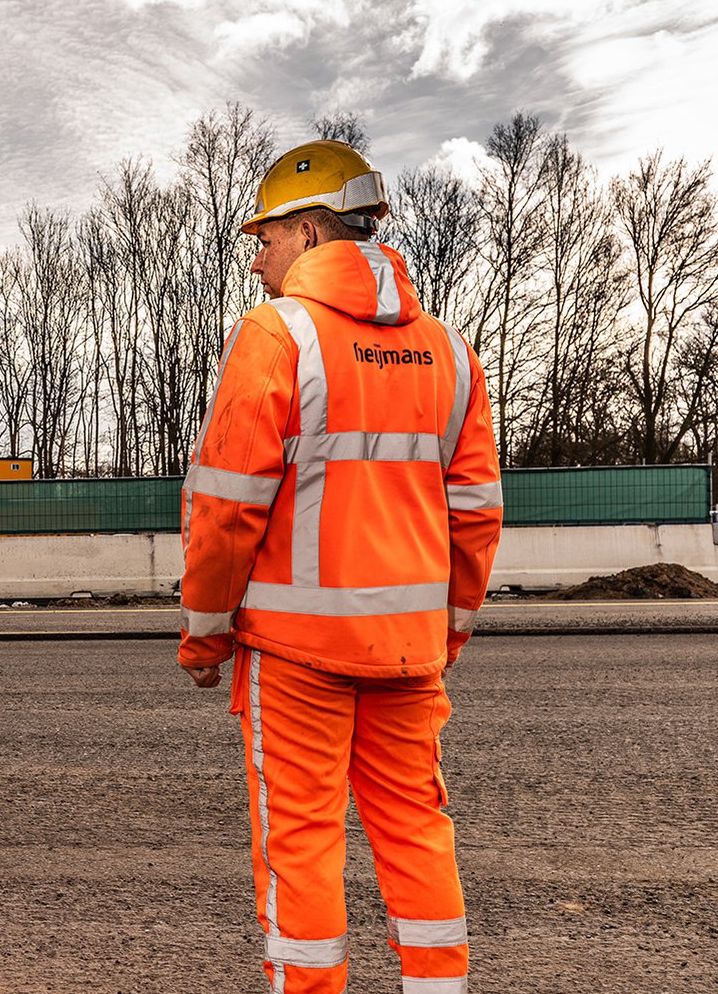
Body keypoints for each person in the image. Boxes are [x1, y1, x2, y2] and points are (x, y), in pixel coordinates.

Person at [177, 140, 503, 993]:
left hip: (293, 655)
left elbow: (224, 507)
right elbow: (475, 515)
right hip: (409, 652)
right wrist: (449, 629)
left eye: (266, 239)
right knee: (417, 830)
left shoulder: (277, 333)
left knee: (302, 840)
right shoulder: (450, 350)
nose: (256, 261)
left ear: (313, 232)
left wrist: (205, 632)